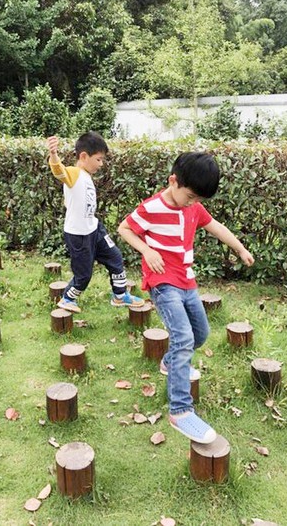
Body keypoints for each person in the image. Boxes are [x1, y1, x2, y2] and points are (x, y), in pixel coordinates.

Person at [118, 152, 254, 444]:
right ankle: (180, 411)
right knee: (183, 338)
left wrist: (240, 249)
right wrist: (148, 251)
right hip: (163, 282)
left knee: (200, 334)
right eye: (191, 196)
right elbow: (125, 228)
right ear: (173, 181)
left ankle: (169, 363)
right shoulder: (152, 207)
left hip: (187, 281)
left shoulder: (193, 208)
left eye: (199, 200)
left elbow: (216, 227)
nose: (194, 203)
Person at [47, 131, 144, 314]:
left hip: (95, 229)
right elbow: (59, 172)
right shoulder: (74, 173)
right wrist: (53, 154)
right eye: (98, 159)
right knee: (83, 275)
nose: (101, 164)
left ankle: (120, 295)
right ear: (84, 156)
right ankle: (68, 298)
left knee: (115, 257)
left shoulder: (85, 175)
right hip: (79, 235)